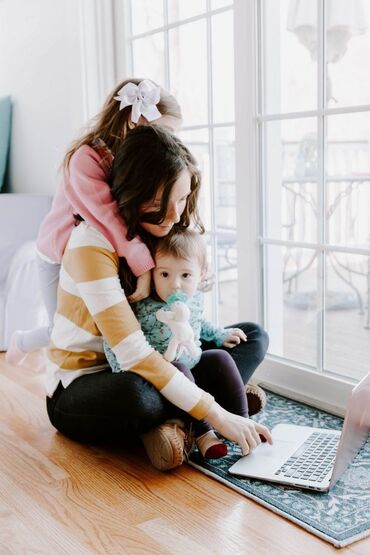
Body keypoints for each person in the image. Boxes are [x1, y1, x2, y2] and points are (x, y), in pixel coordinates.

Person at [45, 124, 273, 471]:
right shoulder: (91, 245)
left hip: (161, 358)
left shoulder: (155, 230)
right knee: (142, 398)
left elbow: (176, 321)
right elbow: (134, 354)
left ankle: (179, 422)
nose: (178, 215)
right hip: (89, 382)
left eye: (182, 199)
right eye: (163, 203)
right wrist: (219, 414)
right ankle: (199, 412)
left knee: (251, 335)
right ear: (135, 194)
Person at [6, 78, 182, 367]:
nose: (169, 144)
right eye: (166, 133)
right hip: (56, 252)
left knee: (103, 323)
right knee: (61, 327)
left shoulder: (133, 162)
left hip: (102, 251)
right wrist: (143, 263)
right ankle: (22, 341)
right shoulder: (86, 158)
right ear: (133, 122)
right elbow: (108, 217)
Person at [104, 229, 257, 460]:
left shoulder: (194, 298)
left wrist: (219, 335)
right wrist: (120, 368)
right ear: (152, 272)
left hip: (192, 359)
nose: (175, 284)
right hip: (161, 375)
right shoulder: (142, 303)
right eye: (164, 274)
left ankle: (243, 422)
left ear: (201, 274)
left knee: (221, 357)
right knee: (180, 369)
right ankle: (204, 433)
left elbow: (196, 323)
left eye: (186, 276)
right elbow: (114, 339)